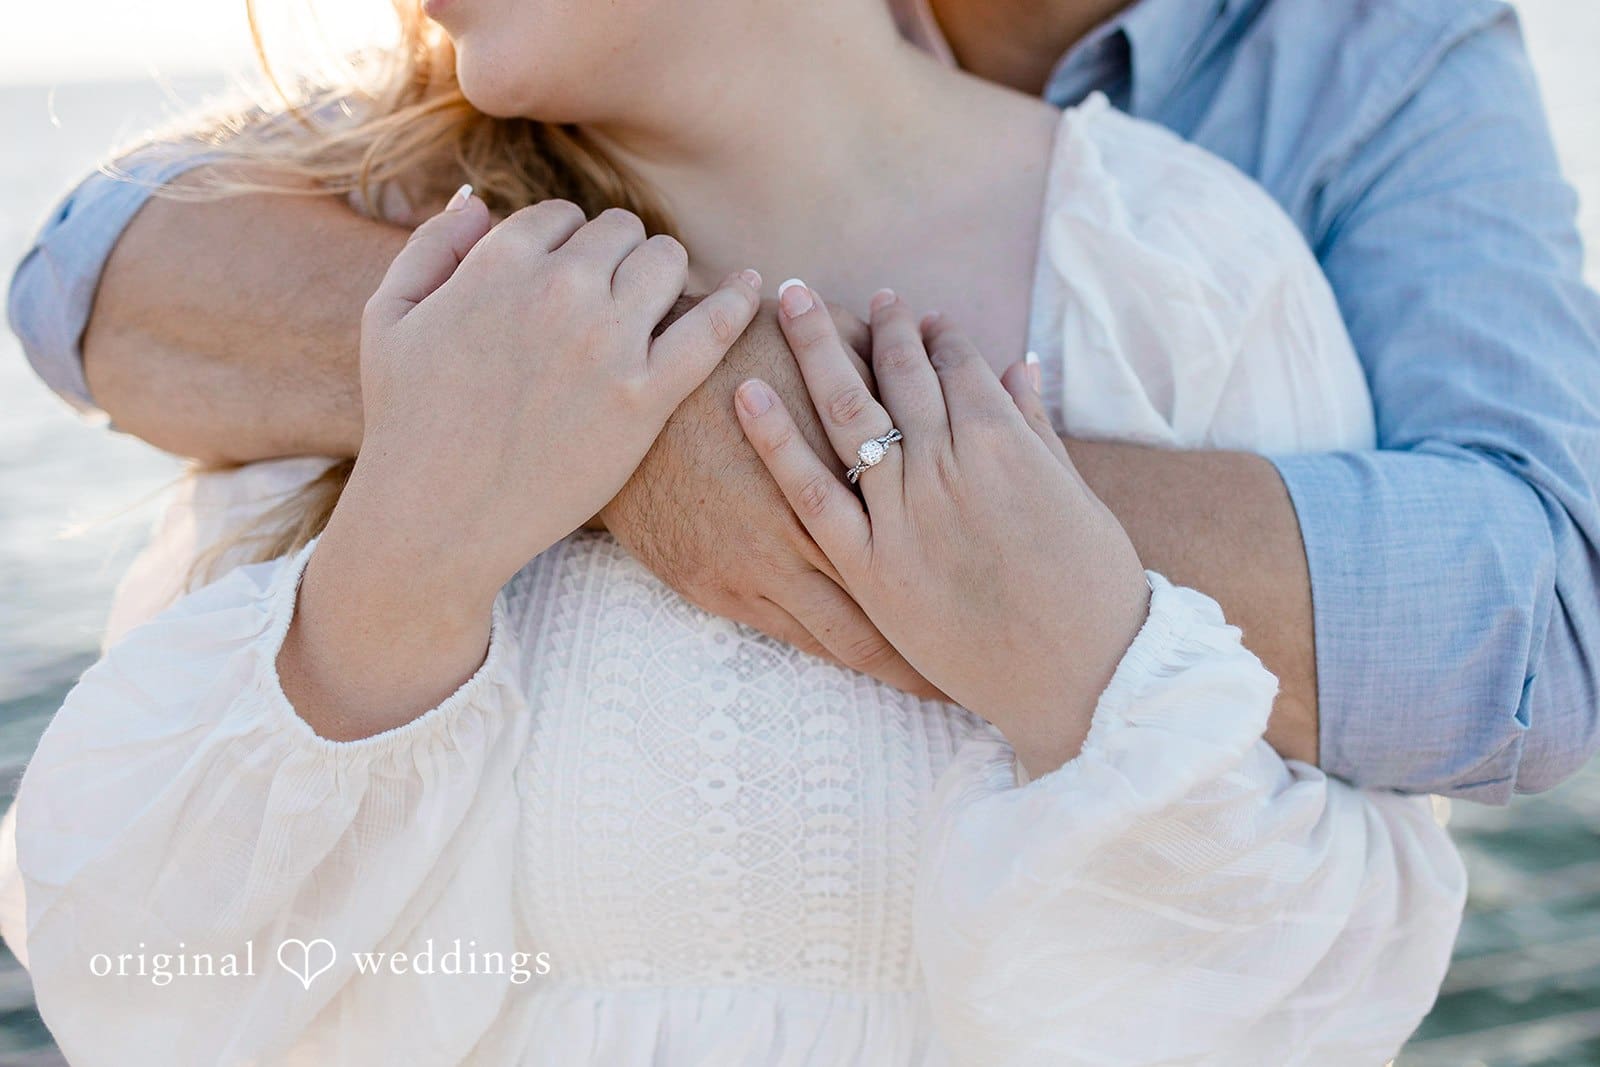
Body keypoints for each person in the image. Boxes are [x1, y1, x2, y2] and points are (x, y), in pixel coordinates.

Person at [2, 0, 1469, 1063]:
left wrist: (1084, 677)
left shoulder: (1178, 265)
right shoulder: (397, 251)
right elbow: (137, 982)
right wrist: (405, 564)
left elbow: (1330, 995)